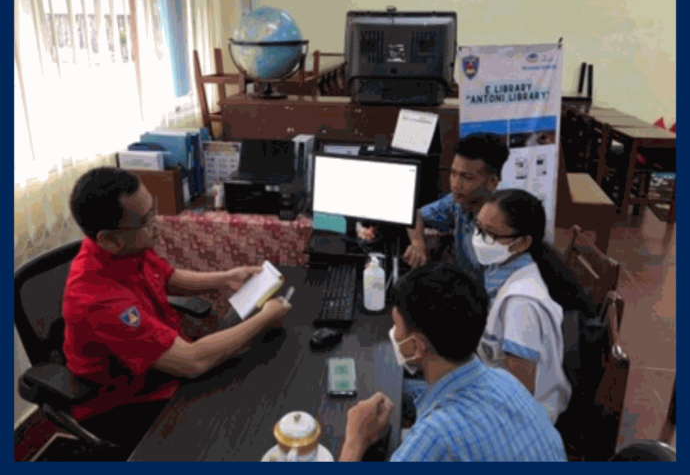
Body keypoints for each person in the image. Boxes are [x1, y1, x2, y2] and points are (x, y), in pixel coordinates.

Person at [63, 167, 292, 447]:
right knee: (235, 420)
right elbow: (192, 362)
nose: (157, 224)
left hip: (162, 362)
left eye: (153, 210)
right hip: (125, 401)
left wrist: (225, 278)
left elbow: (167, 277)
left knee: (252, 366)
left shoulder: (125, 247)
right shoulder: (98, 300)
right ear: (108, 238)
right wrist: (265, 317)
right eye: (146, 220)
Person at [339, 263, 567, 462]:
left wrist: (355, 438)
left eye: (396, 326)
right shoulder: (507, 381)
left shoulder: (436, 437)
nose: (394, 333)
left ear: (416, 346)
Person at [472, 189, 570, 424]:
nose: (478, 239)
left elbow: (518, 392)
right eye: (477, 229)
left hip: (519, 419)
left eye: (490, 235)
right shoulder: (502, 272)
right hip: (495, 393)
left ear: (522, 242)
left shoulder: (520, 305)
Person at [403, 134, 510, 285]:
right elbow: (415, 215)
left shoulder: (503, 226)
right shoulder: (457, 201)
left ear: (492, 182)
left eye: (467, 177)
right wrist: (417, 242)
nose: (455, 184)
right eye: (453, 173)